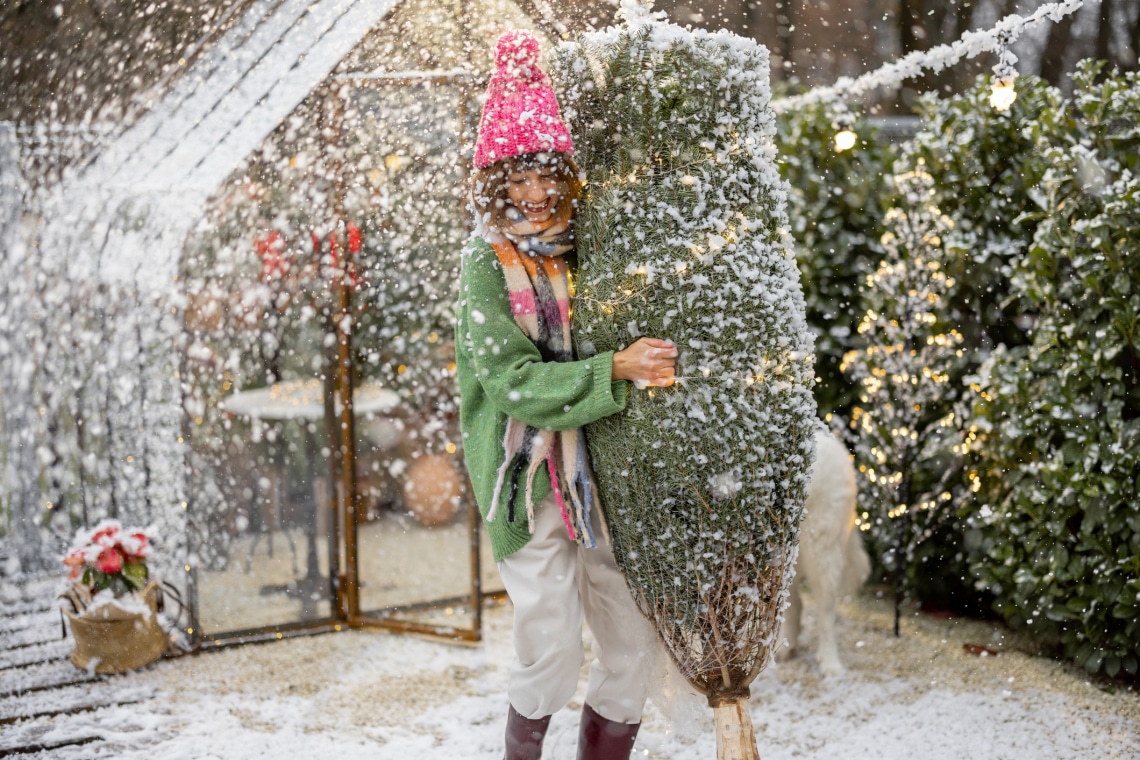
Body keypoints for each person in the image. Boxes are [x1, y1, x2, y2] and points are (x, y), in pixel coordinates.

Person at [456, 30, 678, 760]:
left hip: (601, 468)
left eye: (549, 174)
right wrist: (613, 370)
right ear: (496, 181)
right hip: (523, 475)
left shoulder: (592, 247)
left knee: (631, 644)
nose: (538, 193)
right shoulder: (486, 265)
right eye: (519, 177)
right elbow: (512, 383)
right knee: (549, 646)